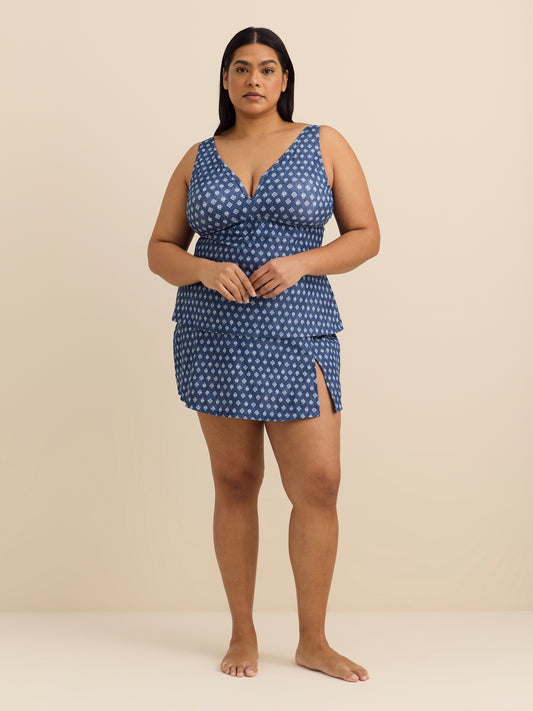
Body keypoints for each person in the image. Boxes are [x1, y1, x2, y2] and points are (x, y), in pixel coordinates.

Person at [147, 26, 380, 682]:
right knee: (234, 481)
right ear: (225, 80)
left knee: (319, 484)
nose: (254, 78)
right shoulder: (197, 156)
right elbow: (160, 248)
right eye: (241, 67)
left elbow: (365, 235)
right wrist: (202, 269)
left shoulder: (323, 142)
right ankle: (242, 633)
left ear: (284, 80)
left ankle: (313, 640)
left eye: (267, 68)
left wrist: (302, 262)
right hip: (214, 332)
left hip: (299, 329)